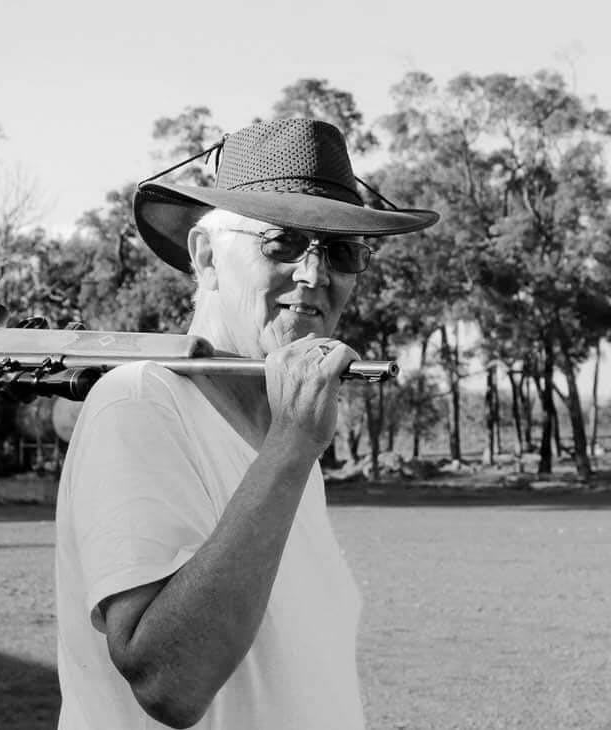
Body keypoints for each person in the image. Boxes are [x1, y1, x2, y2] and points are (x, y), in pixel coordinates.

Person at [54, 118, 438, 729]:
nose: (314, 276)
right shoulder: (141, 402)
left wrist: (288, 445)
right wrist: (291, 448)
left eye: (341, 251)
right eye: (282, 242)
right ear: (206, 256)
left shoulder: (281, 435)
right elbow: (168, 683)